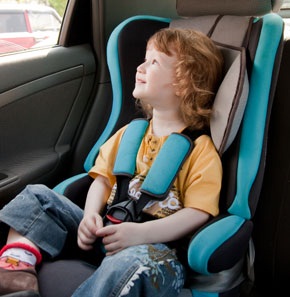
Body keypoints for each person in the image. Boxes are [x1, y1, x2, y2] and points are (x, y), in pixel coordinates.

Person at [0, 27, 223, 297]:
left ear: (184, 83)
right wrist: (91, 215)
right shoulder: (129, 134)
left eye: (154, 62)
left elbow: (198, 213)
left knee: (135, 263)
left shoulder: (200, 151)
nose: (140, 67)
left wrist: (142, 235)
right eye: (145, 58)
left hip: (154, 250)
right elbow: (103, 179)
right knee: (37, 197)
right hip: (106, 231)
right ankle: (16, 275)